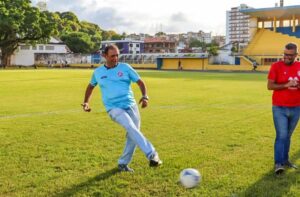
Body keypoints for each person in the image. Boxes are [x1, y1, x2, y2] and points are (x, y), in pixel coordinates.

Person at [82, 45, 162, 172]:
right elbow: (91, 86)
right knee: (130, 127)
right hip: (113, 108)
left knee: (133, 134)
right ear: (105, 56)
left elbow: (140, 82)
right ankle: (152, 155)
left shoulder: (125, 67)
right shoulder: (98, 72)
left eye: (117, 55)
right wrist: (86, 102)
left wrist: (145, 97)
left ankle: (123, 164)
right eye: (112, 56)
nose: (116, 58)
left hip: (131, 106)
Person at [268, 43, 300, 175]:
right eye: (285, 54)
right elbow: (270, 86)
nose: (286, 57)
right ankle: (278, 163)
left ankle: (286, 160)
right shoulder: (276, 66)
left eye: (290, 55)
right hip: (279, 107)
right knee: (281, 135)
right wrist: (287, 84)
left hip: (296, 107)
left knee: (288, 135)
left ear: (296, 55)